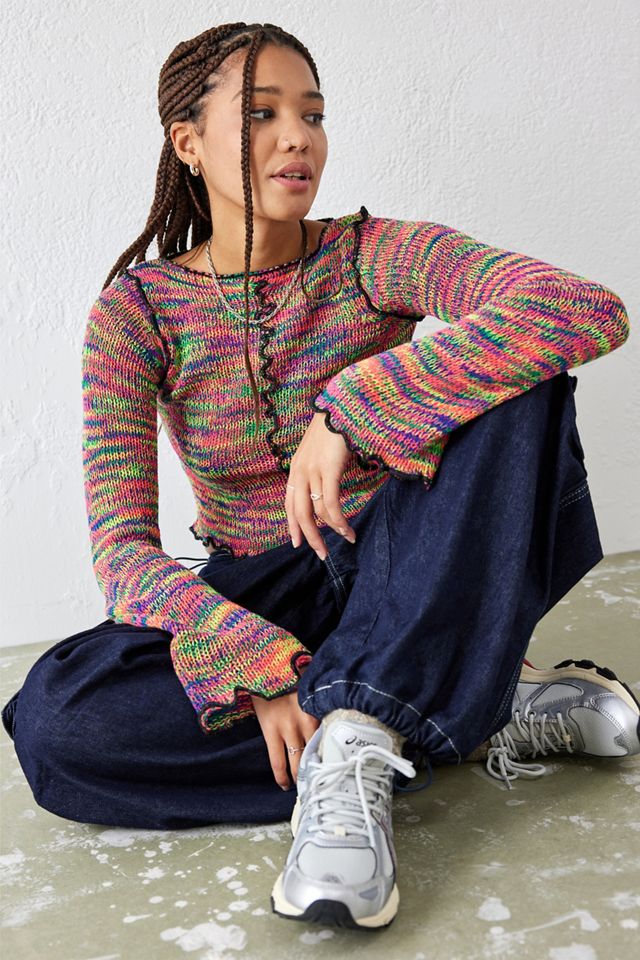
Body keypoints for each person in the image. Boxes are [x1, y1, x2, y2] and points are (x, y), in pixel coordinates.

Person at [2, 21, 638, 932]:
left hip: (408, 565)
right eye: (262, 114)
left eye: (313, 114)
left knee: (522, 378)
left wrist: (355, 405)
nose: (298, 137)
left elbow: (581, 308)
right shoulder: (137, 312)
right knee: (57, 721)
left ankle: (358, 743)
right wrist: (259, 668)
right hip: (266, 593)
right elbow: (124, 556)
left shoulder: (371, 254)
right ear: (188, 143)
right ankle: (460, 705)